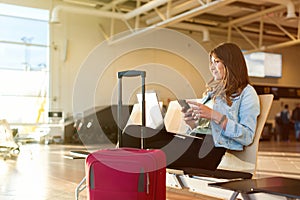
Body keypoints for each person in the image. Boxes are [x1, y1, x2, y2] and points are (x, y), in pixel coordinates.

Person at [180, 42, 260, 169]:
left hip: (209, 149)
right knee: (143, 137)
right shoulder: (214, 92)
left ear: (230, 64)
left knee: (152, 148)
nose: (212, 67)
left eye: (216, 61)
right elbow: (204, 128)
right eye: (211, 62)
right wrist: (192, 123)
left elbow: (247, 136)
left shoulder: (247, 93)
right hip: (195, 141)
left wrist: (215, 116)